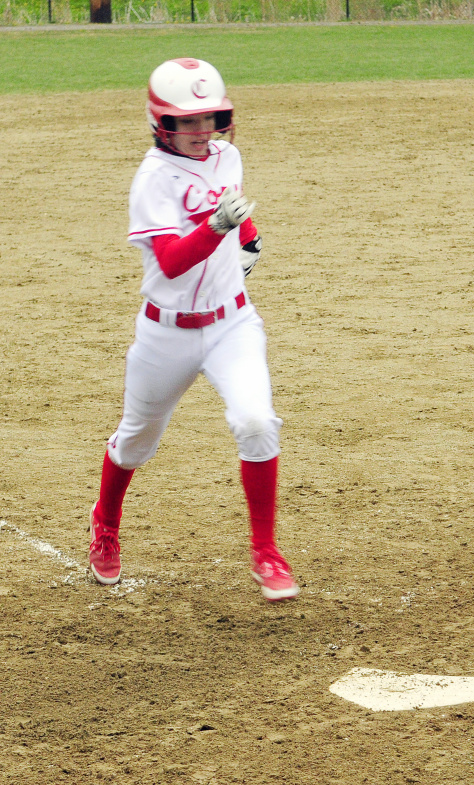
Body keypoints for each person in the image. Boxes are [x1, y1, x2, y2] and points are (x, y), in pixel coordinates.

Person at [88, 58, 299, 601]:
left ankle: (266, 549)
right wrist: (218, 228)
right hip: (167, 333)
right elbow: (174, 260)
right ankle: (106, 521)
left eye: (209, 117)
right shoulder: (152, 179)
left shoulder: (227, 155)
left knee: (256, 421)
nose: (201, 130)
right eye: (187, 120)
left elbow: (230, 198)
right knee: (136, 441)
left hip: (233, 322)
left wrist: (246, 233)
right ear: (162, 124)